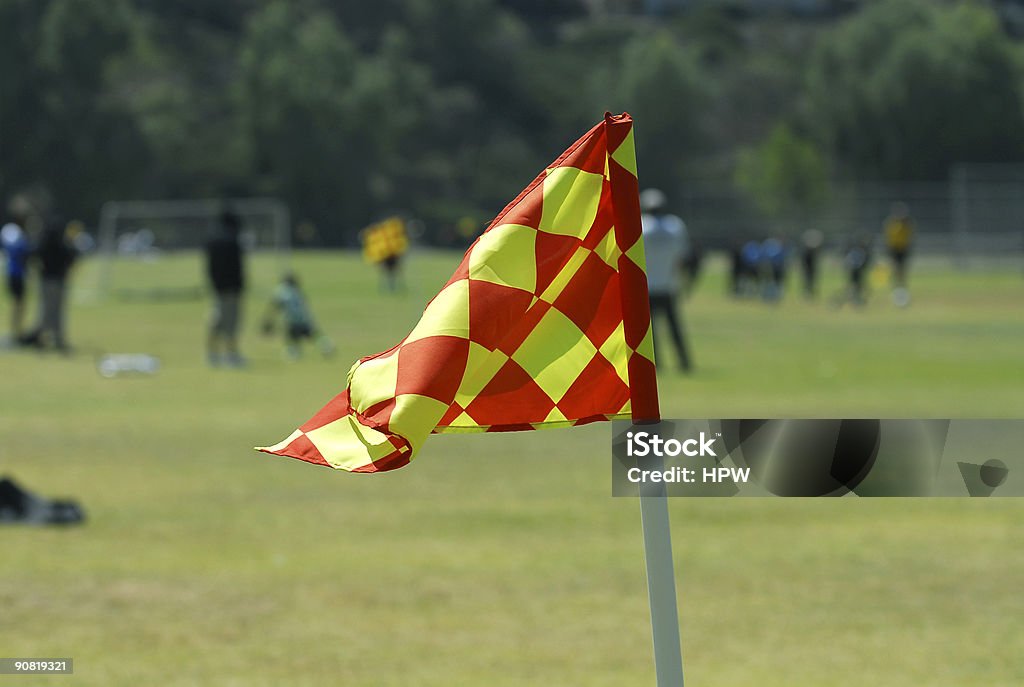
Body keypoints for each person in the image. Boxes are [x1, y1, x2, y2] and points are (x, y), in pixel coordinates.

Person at [639, 188, 693, 373]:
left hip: (647, 285)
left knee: (649, 330)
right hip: (669, 284)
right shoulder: (675, 226)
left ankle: (656, 363)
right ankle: (684, 361)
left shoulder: (641, 226)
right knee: (674, 326)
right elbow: (683, 257)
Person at [19, 219, 77, 352]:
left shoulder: (44, 243)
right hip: (59, 280)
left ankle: (41, 337)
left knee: (45, 310)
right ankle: (57, 338)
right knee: (57, 311)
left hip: (46, 280)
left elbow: (31, 255)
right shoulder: (63, 245)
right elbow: (72, 257)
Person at [261, 272, 334, 361]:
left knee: (293, 340)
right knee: (313, 336)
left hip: (292, 321)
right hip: (304, 319)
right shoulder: (298, 292)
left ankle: (294, 354)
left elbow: (275, 305)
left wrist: (268, 319)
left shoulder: (283, 292)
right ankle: (326, 347)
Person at [205, 209, 246, 367]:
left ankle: (213, 353)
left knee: (218, 320)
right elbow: (238, 268)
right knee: (230, 322)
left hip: (219, 287)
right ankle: (230, 354)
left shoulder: (213, 241)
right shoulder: (233, 242)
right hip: (232, 288)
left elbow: (210, 268)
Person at [1, 218, 31, 341]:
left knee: (18, 304)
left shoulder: (14, 243)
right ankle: (15, 330)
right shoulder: (20, 244)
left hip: (13, 275)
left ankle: (16, 329)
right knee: (18, 304)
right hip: (17, 275)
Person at [884, 202, 914, 306]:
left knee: (902, 271)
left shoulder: (907, 224)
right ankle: (896, 289)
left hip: (903, 249)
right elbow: (889, 238)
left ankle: (902, 289)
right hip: (894, 249)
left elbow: (909, 237)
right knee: (895, 270)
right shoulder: (891, 223)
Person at [799, 229, 824, 299]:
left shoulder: (811, 252)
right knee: (807, 282)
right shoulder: (806, 253)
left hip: (811, 269)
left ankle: (810, 293)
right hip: (808, 269)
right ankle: (807, 293)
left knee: (811, 282)